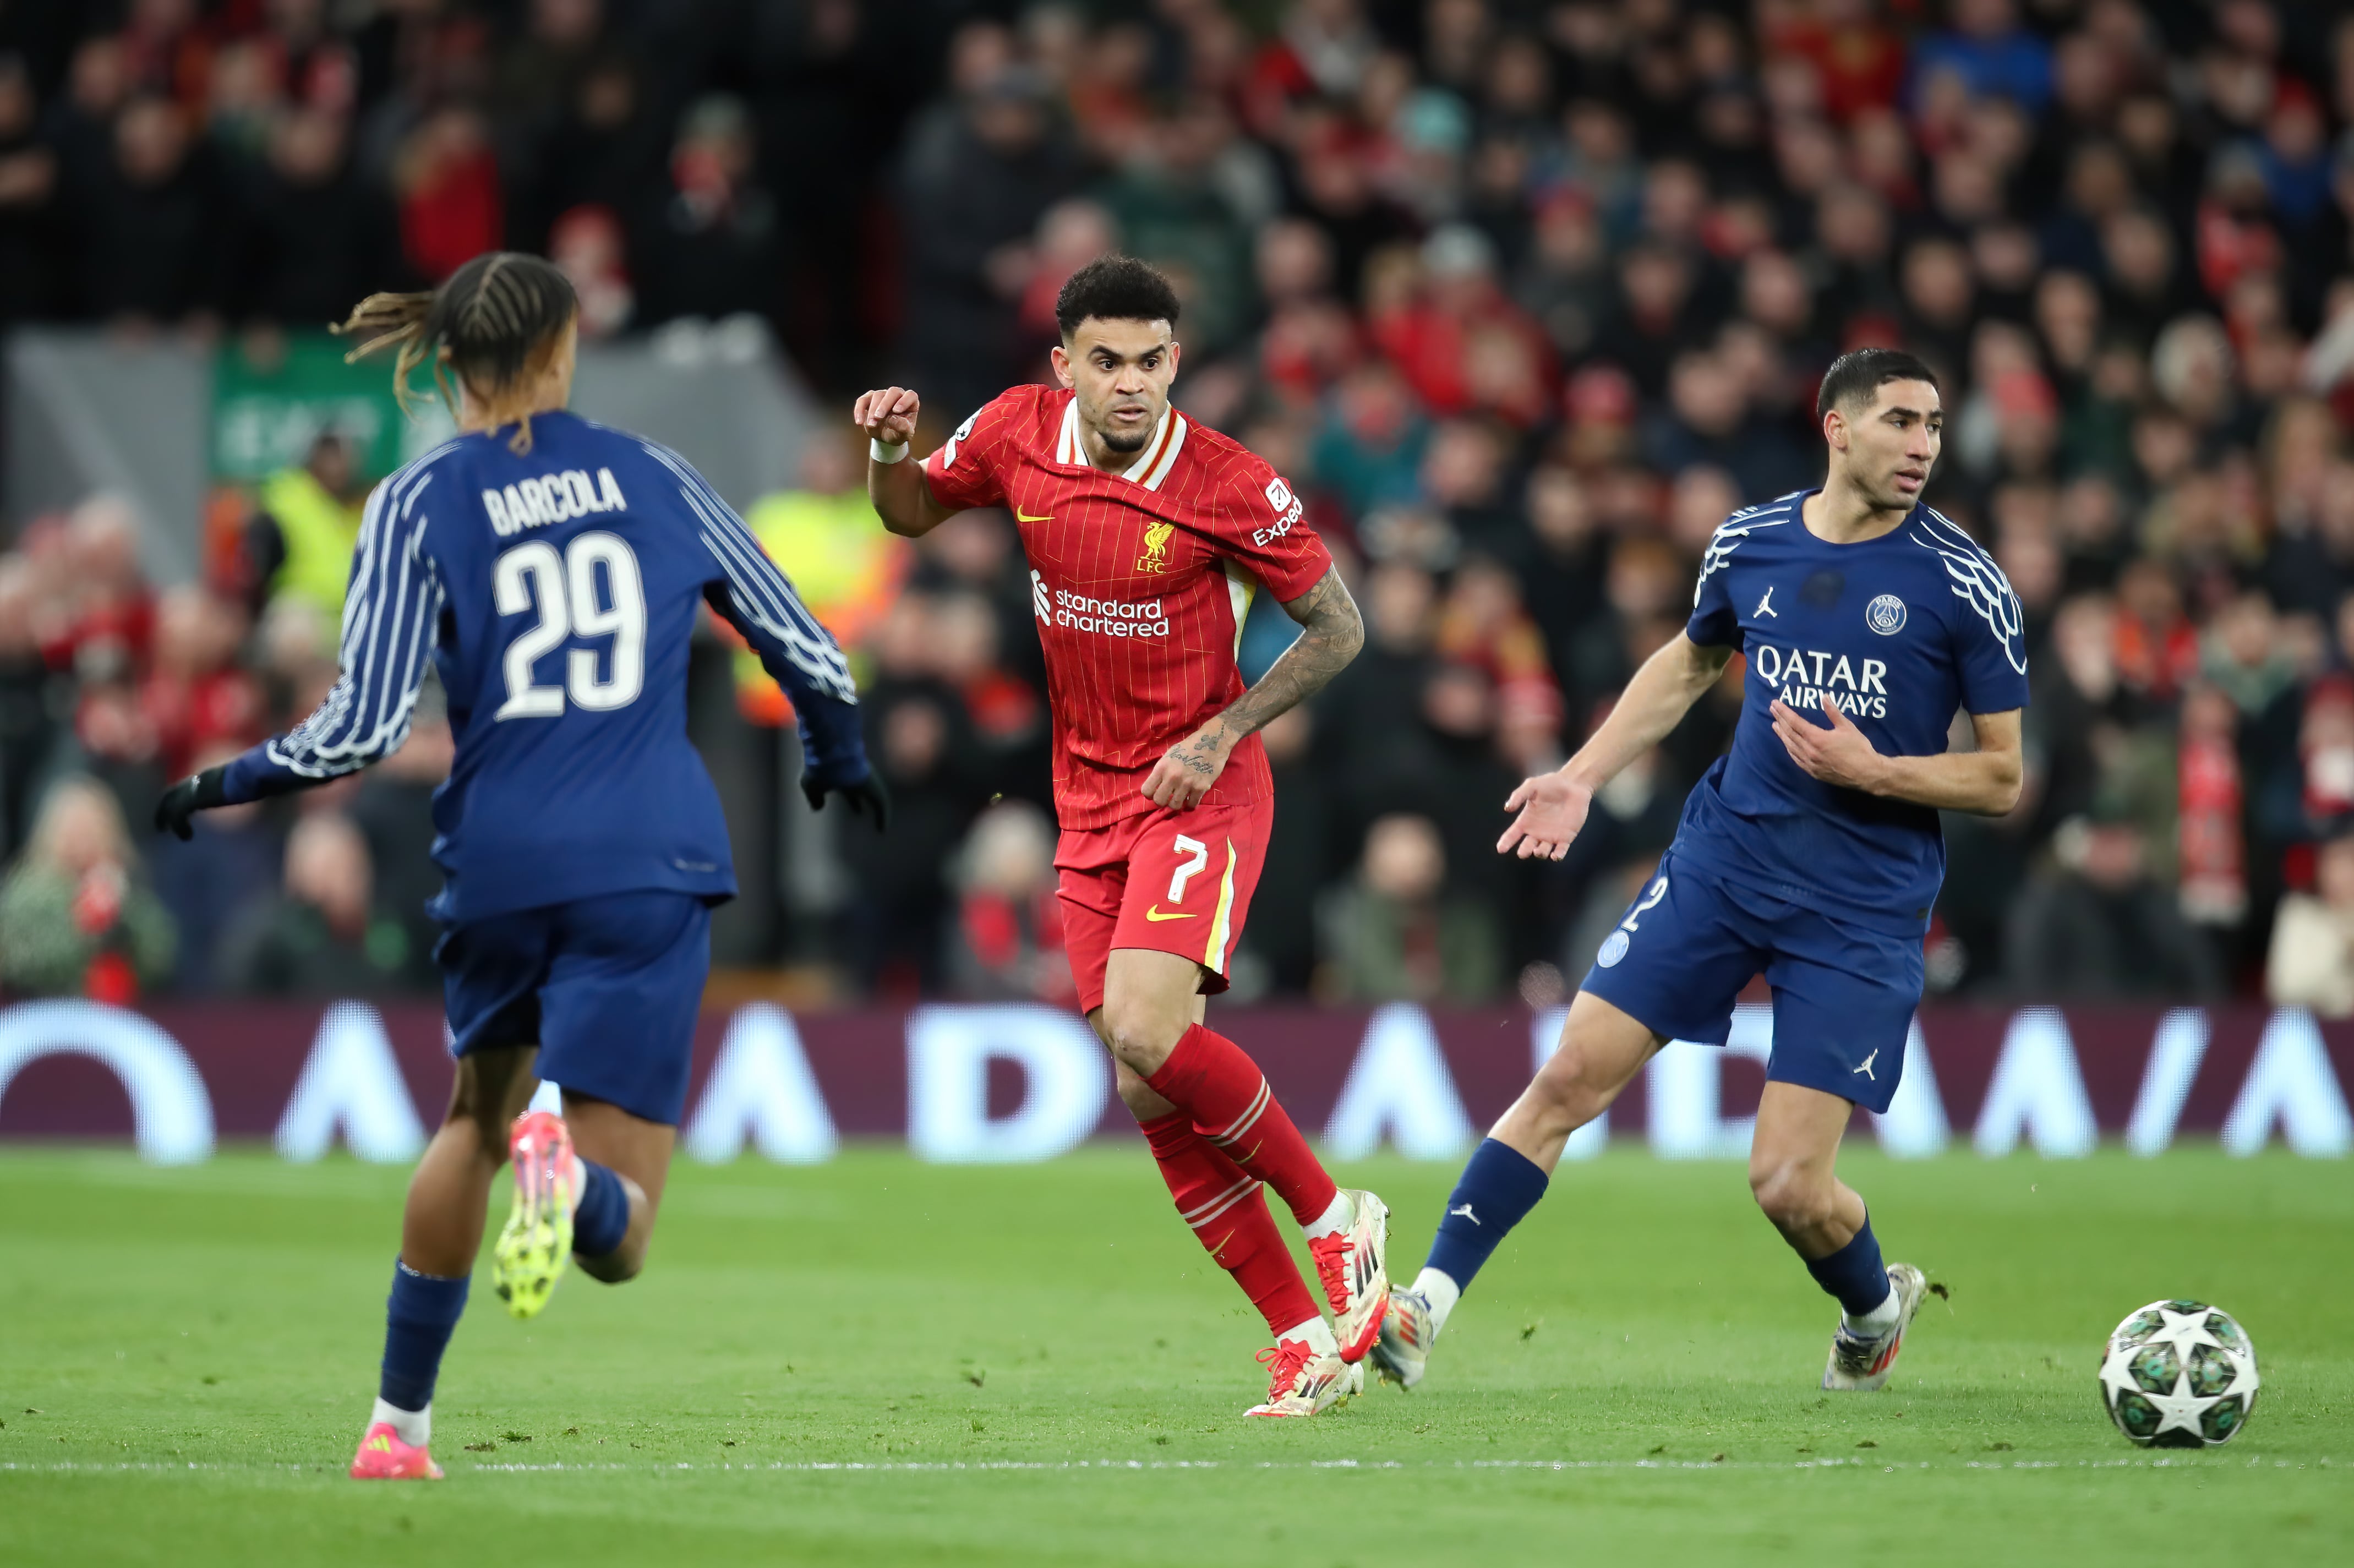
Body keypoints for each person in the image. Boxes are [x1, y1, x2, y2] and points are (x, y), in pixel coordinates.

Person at [153, 252, 885, 1482]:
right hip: (647, 859)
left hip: (496, 863)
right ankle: (572, 1177)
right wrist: (839, 753)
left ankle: (397, 1428)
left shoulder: (412, 501)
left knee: (469, 1118)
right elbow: (802, 640)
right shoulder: (655, 474)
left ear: (447, 365)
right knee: (622, 1237)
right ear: (563, 350)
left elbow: (359, 729)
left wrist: (225, 781)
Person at [1373, 348, 2029, 1397]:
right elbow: (1688, 662)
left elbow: (2000, 775)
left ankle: (1873, 1307)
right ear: (1837, 427)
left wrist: (1874, 770)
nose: (1923, 446)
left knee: (1787, 1184)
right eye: (1901, 422)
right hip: (1724, 863)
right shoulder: (1748, 541)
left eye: (1935, 426)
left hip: (1859, 907)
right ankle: (1422, 1307)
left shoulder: (1963, 582)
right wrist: (1580, 776)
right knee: (1566, 1078)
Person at [853, 255, 1387, 1419]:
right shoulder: (1015, 431)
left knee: (1147, 1029)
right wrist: (891, 451)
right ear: (1066, 366)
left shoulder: (1228, 482)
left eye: (1151, 361)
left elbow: (1340, 626)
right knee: (1146, 1088)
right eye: (1107, 361)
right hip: (1088, 797)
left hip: (1201, 789)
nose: (1131, 382)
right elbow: (909, 511)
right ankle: (1304, 1341)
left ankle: (1336, 1215)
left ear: (1175, 363)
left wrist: (1224, 729)